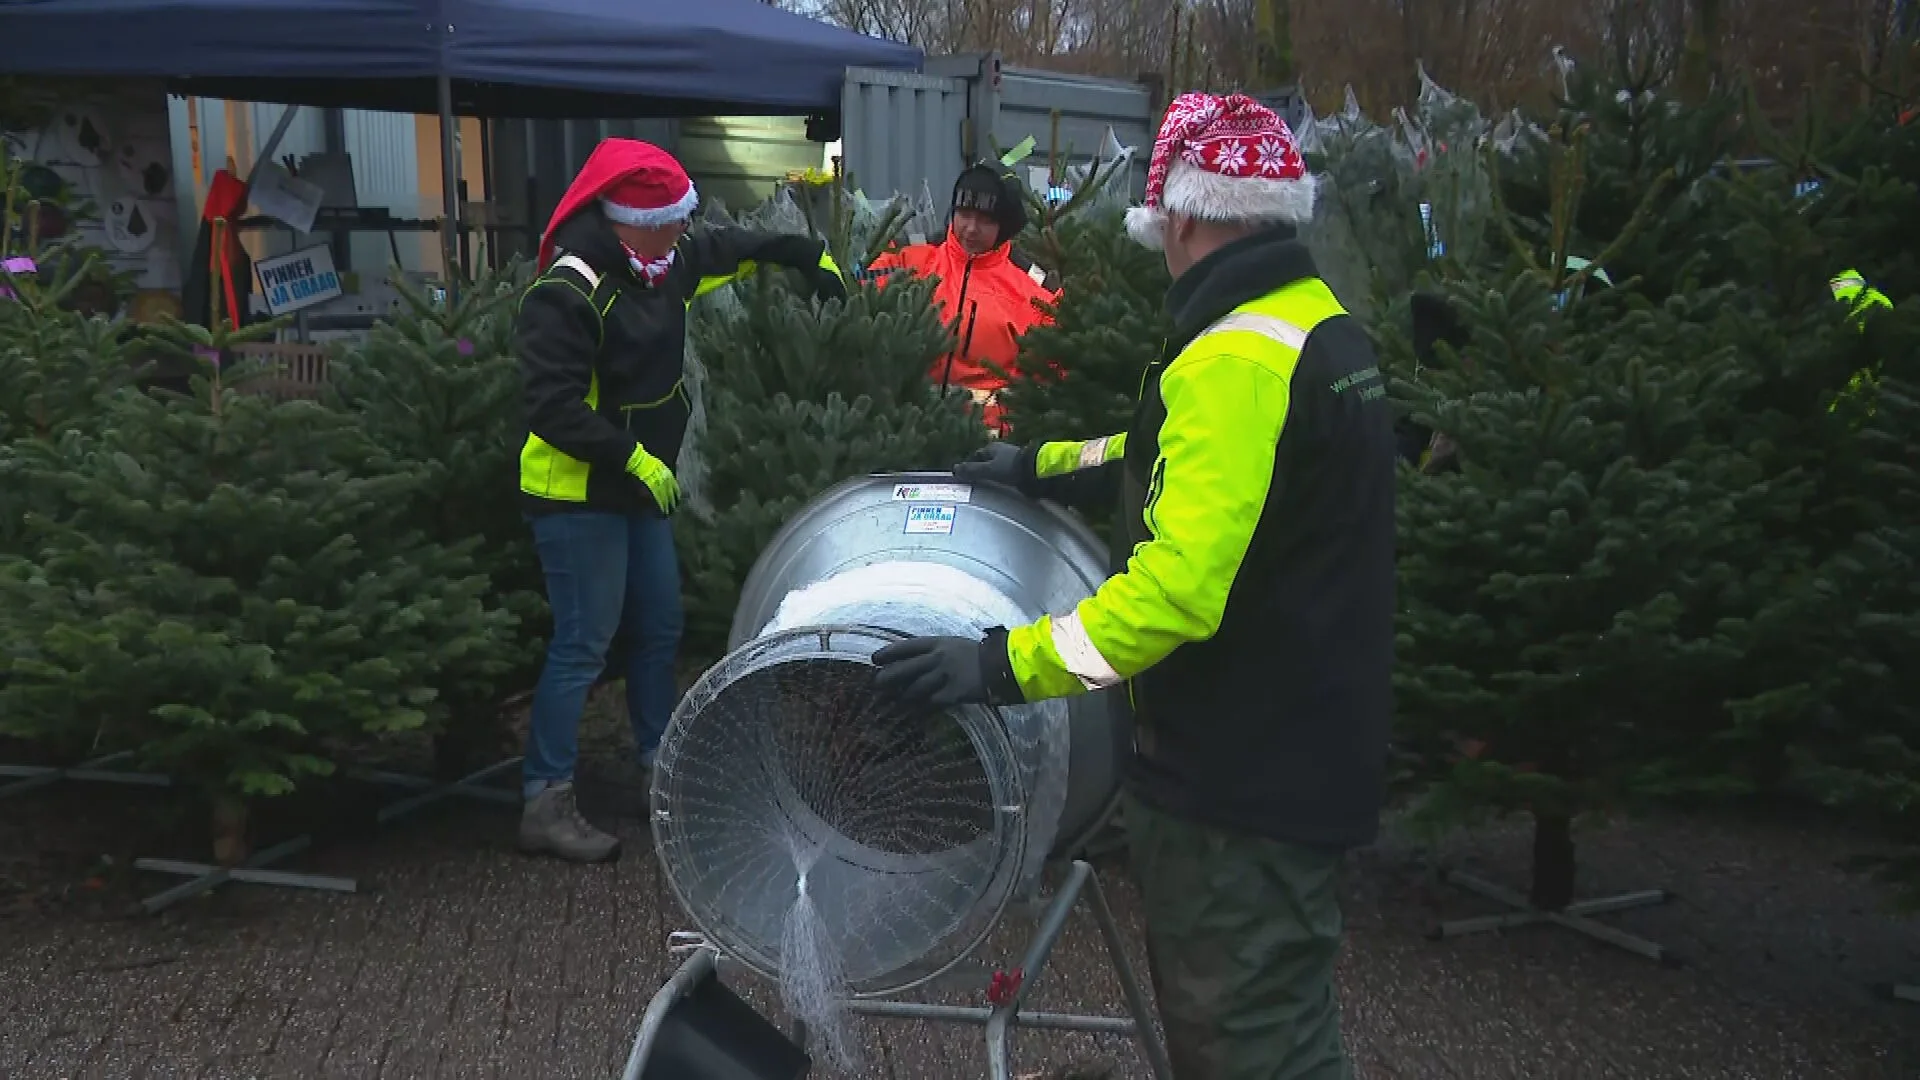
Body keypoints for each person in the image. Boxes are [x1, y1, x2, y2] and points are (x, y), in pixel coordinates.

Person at [871, 92, 1393, 1079]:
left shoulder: (1234, 356)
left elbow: (1177, 590)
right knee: (1277, 1018)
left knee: (1252, 1045)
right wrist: (1045, 466)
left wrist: (998, 662)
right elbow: (1171, 455)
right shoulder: (1305, 325)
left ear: (1183, 214)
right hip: (1308, 742)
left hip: (1241, 779)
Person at [515, 138, 845, 863]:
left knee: (659, 627)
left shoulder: (664, 264)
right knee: (584, 645)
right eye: (670, 221)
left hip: (641, 489)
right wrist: (630, 456)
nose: (682, 233)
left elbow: (730, 246)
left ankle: (656, 765)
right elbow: (550, 407)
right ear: (631, 220)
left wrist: (800, 253)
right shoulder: (570, 291)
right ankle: (544, 797)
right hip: (577, 493)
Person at [867, 161, 1059, 431]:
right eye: (964, 214)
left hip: (990, 440)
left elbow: (1053, 373)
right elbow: (857, 300)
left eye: (985, 220)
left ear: (1003, 227)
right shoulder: (909, 258)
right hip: (910, 431)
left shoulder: (1033, 289)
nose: (970, 228)